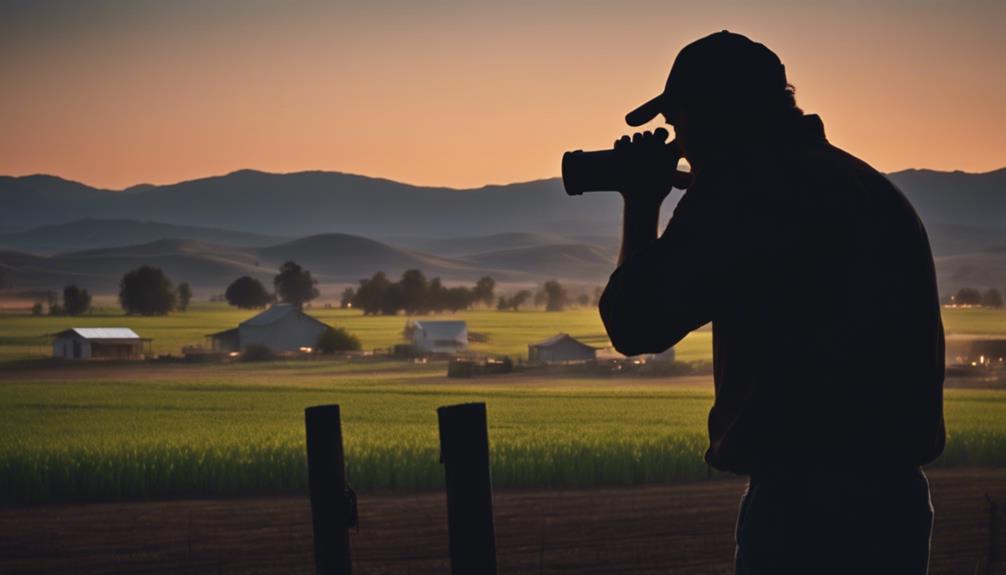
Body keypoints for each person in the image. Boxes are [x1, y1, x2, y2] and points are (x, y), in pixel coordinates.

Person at [598, 31, 945, 574]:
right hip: (895, 503)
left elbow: (636, 322)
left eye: (680, 123)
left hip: (804, 511)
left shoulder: (744, 191)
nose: (679, 144)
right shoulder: (869, 188)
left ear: (718, 113)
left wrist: (642, 205)